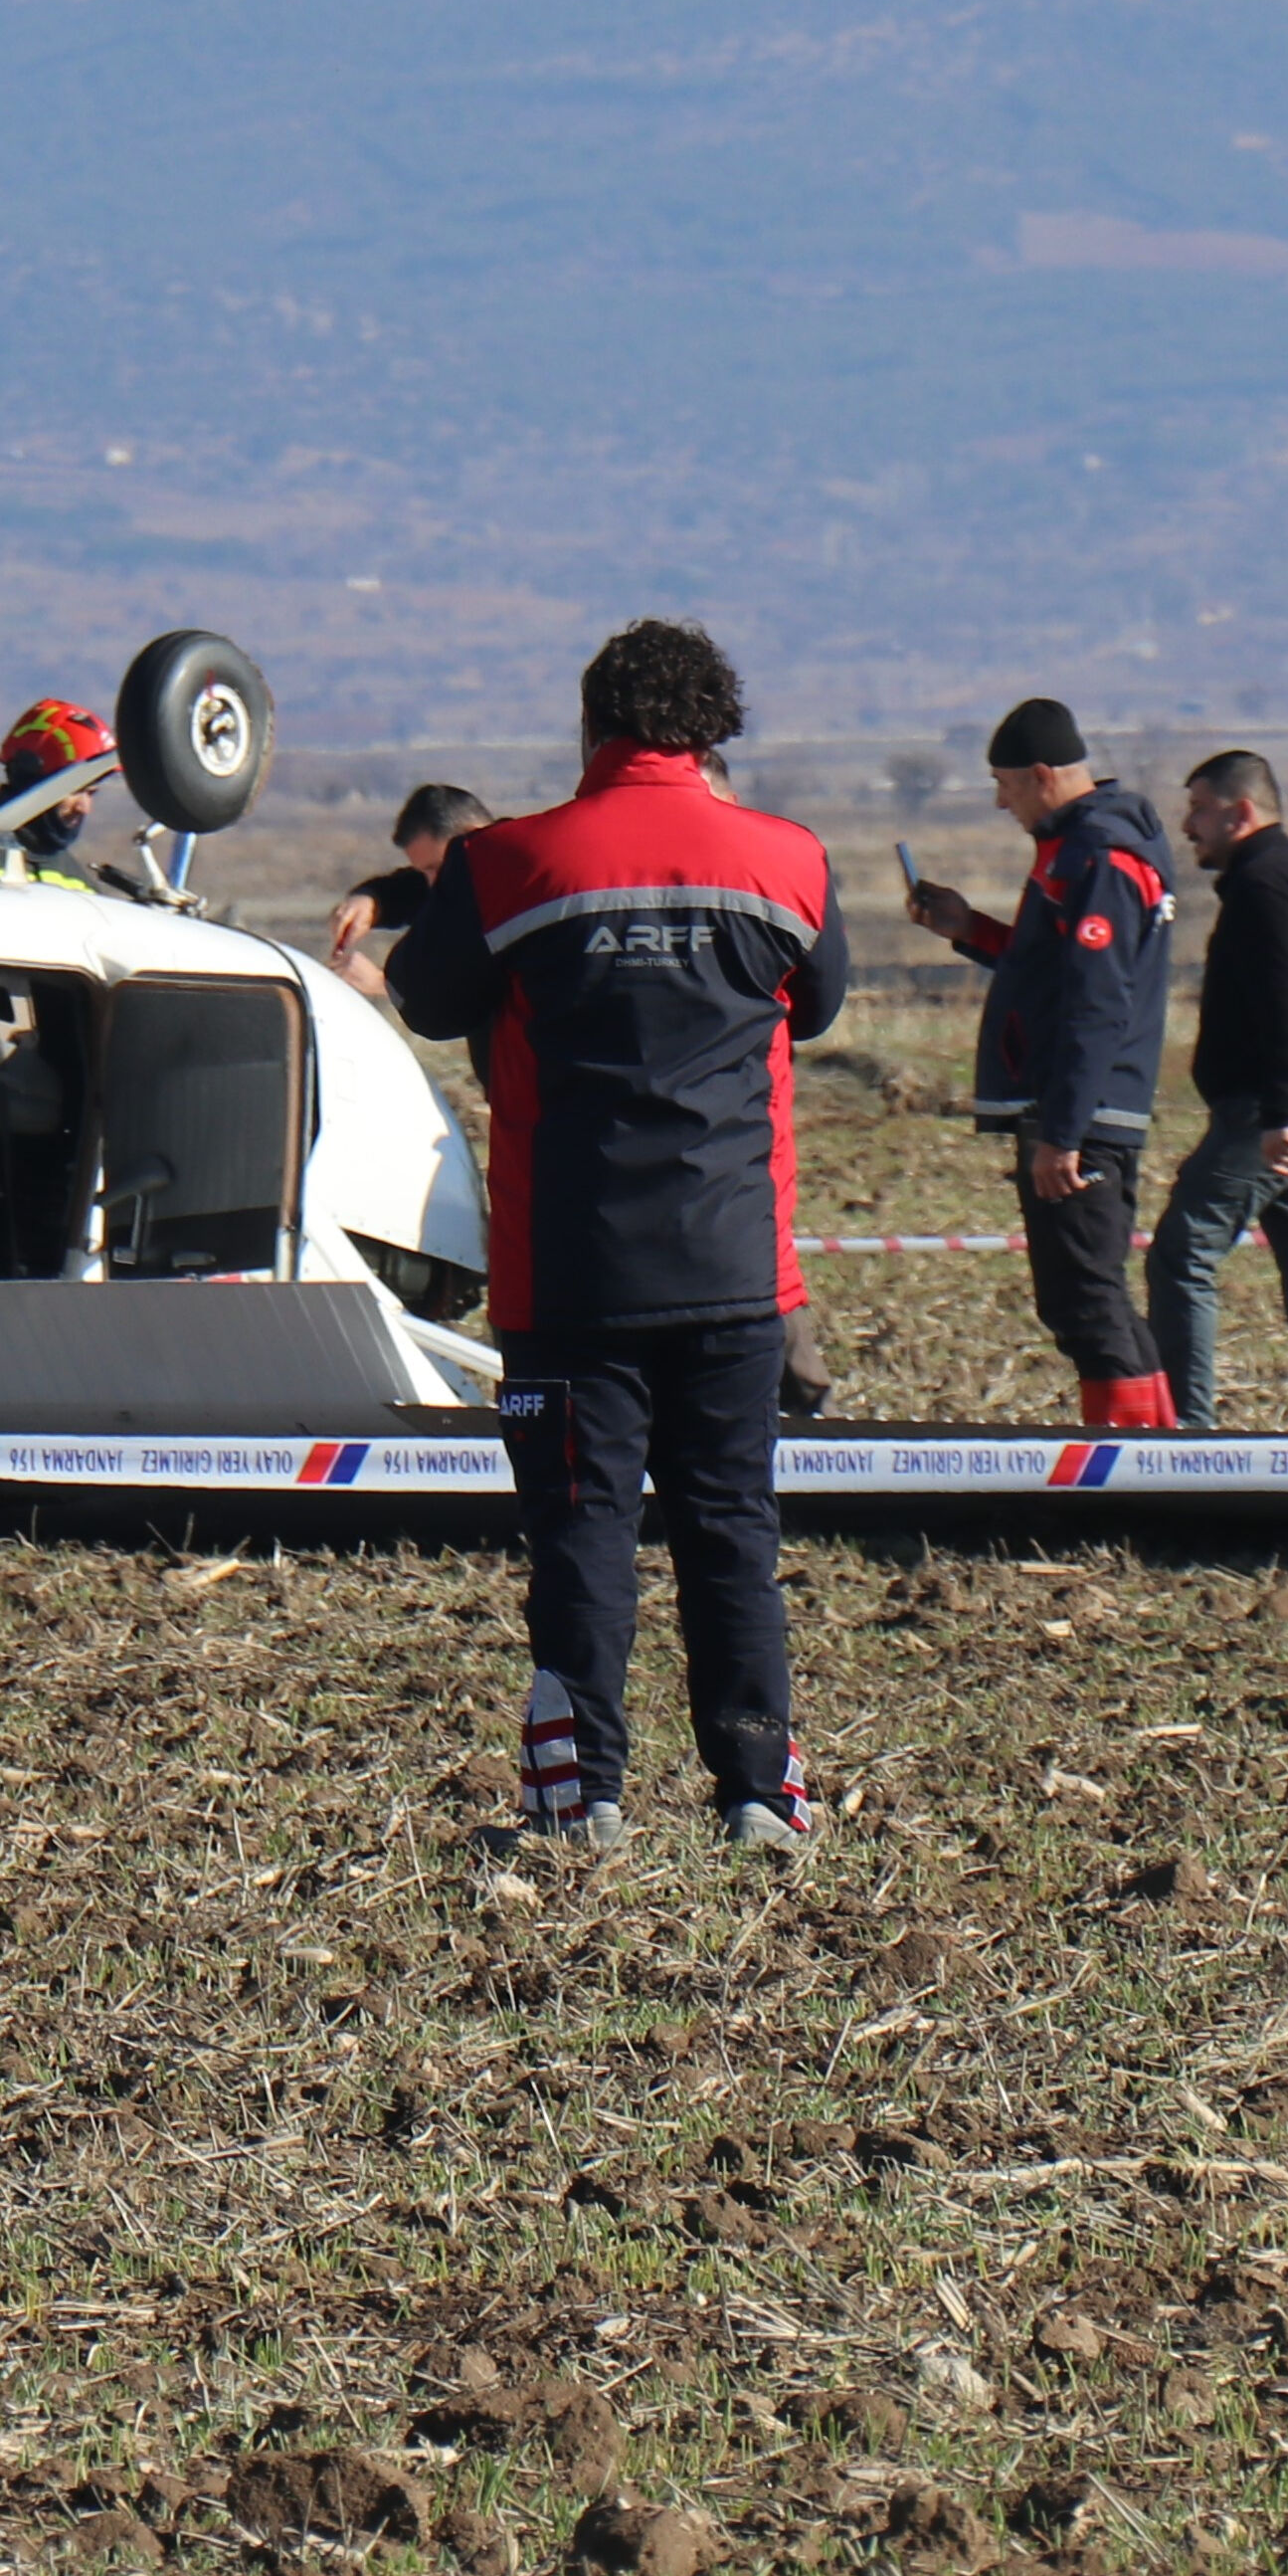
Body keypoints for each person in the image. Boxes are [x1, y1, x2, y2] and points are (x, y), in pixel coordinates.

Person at [383, 618, 839, 1855]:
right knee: (732, 1525)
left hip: (567, 1279)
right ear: (714, 732)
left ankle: (580, 1801)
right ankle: (758, 1794)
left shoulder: (504, 863)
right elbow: (823, 1004)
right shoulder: (791, 862)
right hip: (738, 1273)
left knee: (581, 1533)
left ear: (588, 730)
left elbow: (428, 1001)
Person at [903, 696, 1174, 1430]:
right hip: (1075, 1110)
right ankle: (1154, 1448)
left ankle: (1133, 1464)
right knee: (1088, 1294)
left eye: (1007, 785)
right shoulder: (1072, 850)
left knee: (1084, 1297)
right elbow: (1048, 974)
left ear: (1044, 775)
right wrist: (968, 929)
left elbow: (1098, 1001)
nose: (1000, 802)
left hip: (1082, 1117)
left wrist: (1065, 1131)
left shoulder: (1102, 857)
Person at [1148, 748, 1288, 1431]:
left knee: (1182, 1252)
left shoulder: (1264, 888)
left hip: (1281, 1114)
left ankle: (1185, 1440)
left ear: (1240, 812)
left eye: (1199, 808)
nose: (1187, 825)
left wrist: (1279, 1113)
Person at [0, 698, 171, 901]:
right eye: (75, 791)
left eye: (91, 793)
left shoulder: (73, 878)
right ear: (31, 778)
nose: (84, 807)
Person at [322, 782, 497, 985]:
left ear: (474, 834)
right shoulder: (467, 876)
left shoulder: (526, 889)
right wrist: (370, 903)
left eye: (437, 868)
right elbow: (410, 890)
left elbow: (479, 988)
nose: (433, 883)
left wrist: (384, 983)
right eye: (424, 872)